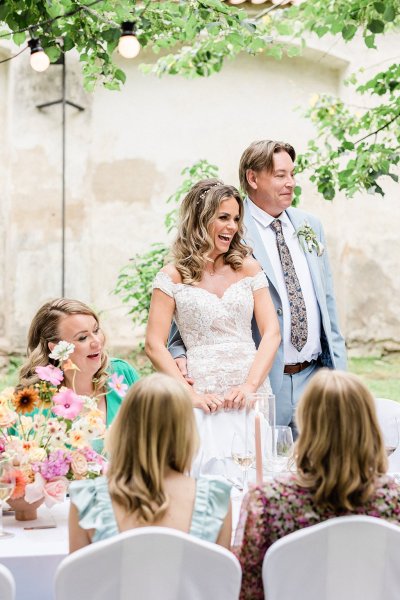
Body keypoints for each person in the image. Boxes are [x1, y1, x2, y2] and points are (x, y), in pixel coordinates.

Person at [170, 140, 346, 430]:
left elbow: (327, 304)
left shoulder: (309, 226)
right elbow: (192, 303)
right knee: (263, 468)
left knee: (323, 469)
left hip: (317, 376)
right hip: (261, 380)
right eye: (280, 175)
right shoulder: (228, 230)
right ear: (253, 178)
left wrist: (340, 373)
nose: (291, 183)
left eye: (292, 174)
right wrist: (178, 354)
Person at [145, 180, 280, 474]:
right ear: (200, 219)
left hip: (248, 393)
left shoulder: (249, 268)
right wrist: (188, 394)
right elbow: (154, 344)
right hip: (202, 396)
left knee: (254, 472)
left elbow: (271, 333)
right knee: (201, 473)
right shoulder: (172, 277)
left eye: (235, 219)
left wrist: (250, 386)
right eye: (223, 217)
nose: (231, 227)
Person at [233, 369, 400, 600]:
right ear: (369, 426)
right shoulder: (394, 501)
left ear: (306, 425)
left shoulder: (267, 502)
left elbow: (246, 591)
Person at [68, 374, 232, 552]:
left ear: (123, 426)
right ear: (187, 431)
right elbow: (222, 577)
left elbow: (77, 578)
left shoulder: (87, 501)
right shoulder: (215, 500)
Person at [18, 298, 139, 450]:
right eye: (82, 338)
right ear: (55, 349)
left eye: (96, 330)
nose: (97, 342)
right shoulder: (35, 404)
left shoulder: (122, 374)